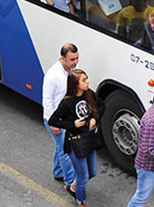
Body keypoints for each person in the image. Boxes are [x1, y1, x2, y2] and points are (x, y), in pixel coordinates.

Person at [48, 69, 104, 207]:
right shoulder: (67, 103)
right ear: (75, 84)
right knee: (83, 178)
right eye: (83, 80)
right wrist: (72, 124)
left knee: (92, 173)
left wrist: (94, 119)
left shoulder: (89, 94)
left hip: (89, 140)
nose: (87, 82)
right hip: (76, 143)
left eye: (87, 78)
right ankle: (81, 202)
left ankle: (72, 187)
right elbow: (53, 120)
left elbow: (102, 105)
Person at [42, 44, 79, 198]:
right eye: (72, 59)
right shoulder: (53, 75)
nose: (75, 62)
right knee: (65, 150)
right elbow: (47, 101)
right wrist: (53, 123)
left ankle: (58, 172)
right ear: (62, 58)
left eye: (77, 58)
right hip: (55, 119)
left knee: (60, 147)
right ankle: (71, 183)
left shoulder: (70, 70)